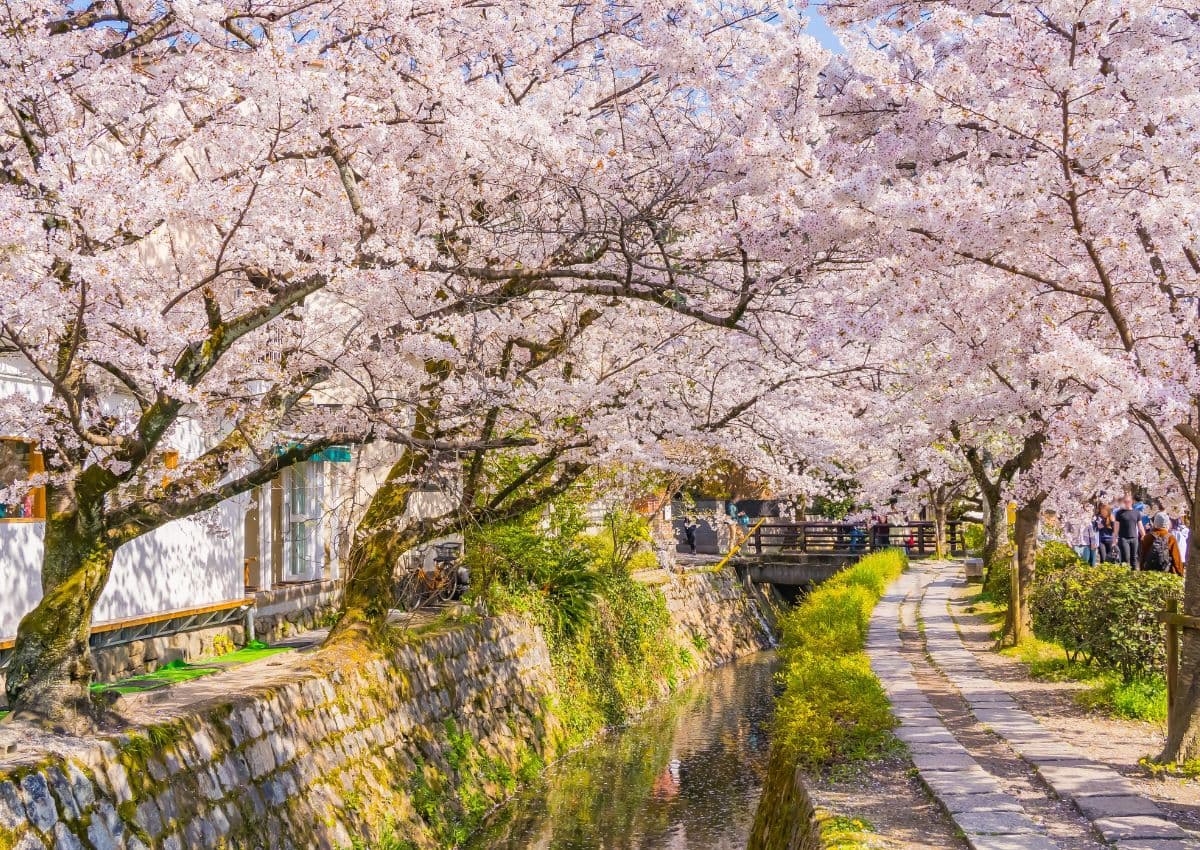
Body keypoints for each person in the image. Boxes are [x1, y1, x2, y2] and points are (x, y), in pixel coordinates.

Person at [1114, 495, 1143, 567]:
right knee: (1126, 558)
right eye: (1125, 502)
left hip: (1134, 538)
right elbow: (1116, 527)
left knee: (1134, 558)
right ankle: (1124, 576)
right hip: (1123, 538)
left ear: (1132, 502)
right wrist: (1114, 538)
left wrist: (1143, 535)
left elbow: (1140, 525)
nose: (1127, 503)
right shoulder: (1119, 513)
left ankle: (1133, 575)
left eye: (1128, 501)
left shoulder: (1136, 512)